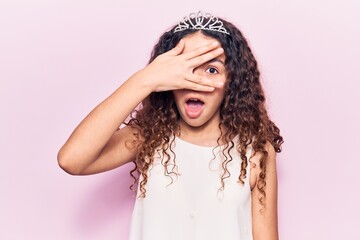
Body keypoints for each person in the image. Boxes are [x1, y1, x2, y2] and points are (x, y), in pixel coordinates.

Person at [58, 11, 283, 240]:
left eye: (212, 69)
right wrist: (146, 79)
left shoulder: (255, 152)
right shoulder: (148, 138)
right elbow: (71, 160)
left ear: (233, 81)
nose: (195, 82)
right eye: (184, 69)